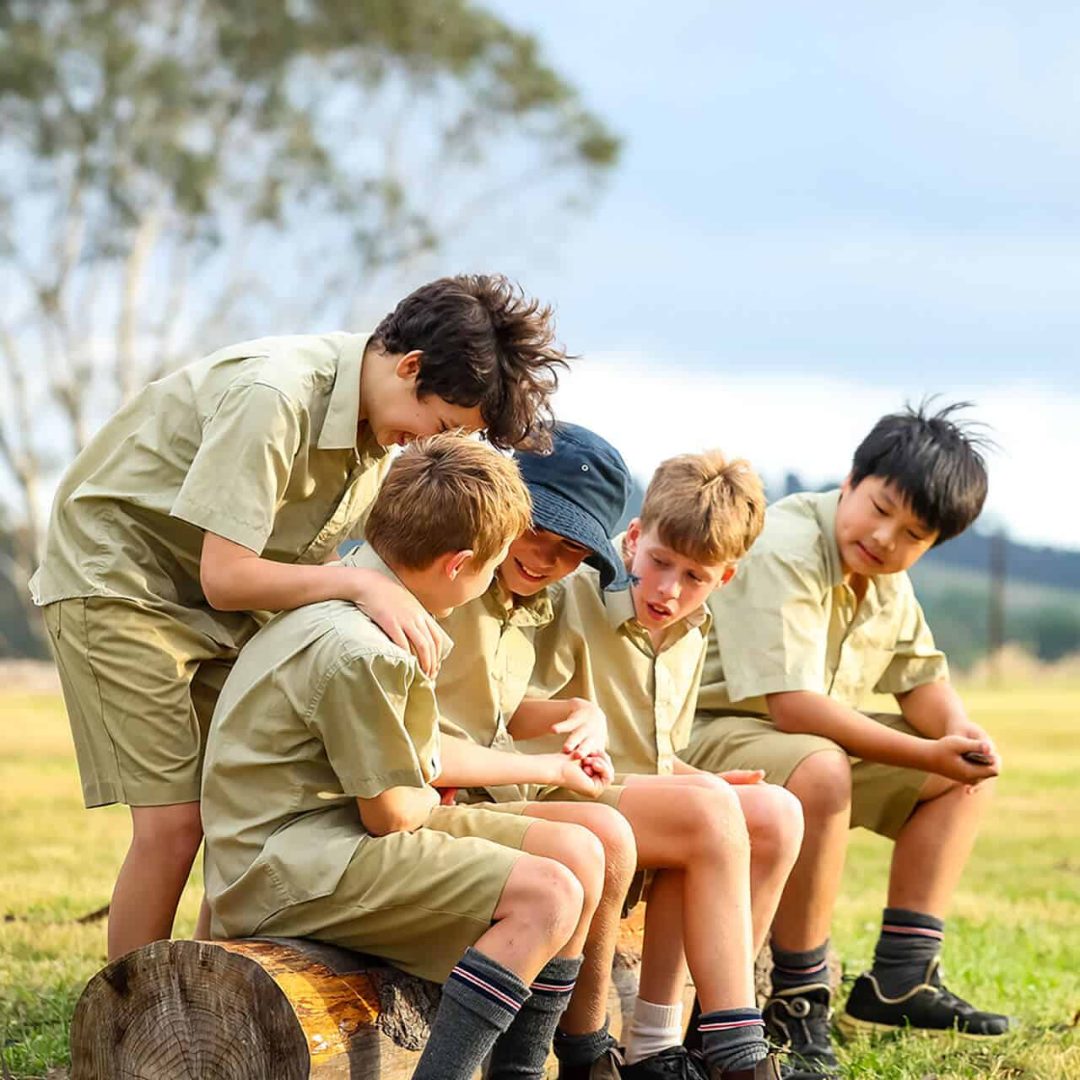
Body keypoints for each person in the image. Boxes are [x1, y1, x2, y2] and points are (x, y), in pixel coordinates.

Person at [30, 273, 569, 960]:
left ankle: (209, 999)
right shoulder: (275, 397)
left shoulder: (376, 437)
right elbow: (224, 576)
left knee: (244, 801)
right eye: (439, 425)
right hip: (123, 581)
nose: (420, 443)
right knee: (174, 823)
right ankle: (126, 1033)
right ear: (411, 368)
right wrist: (358, 587)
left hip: (221, 593)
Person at [202, 433, 623, 1080]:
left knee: (578, 852)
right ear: (458, 564)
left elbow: (414, 768)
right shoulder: (366, 648)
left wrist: (443, 781)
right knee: (549, 893)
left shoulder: (358, 601)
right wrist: (429, 788)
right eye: (493, 564)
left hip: (326, 835)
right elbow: (394, 811)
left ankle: (519, 1071)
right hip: (285, 865)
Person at [438, 425, 799, 1080]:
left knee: (773, 811)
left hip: (617, 787)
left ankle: (681, 1039)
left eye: (694, 577)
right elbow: (511, 713)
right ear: (632, 538)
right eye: (660, 563)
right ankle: (711, 1049)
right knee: (710, 812)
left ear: (725, 578)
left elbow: (649, 752)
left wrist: (692, 778)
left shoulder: (692, 634)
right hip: (549, 789)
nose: (667, 588)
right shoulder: (573, 586)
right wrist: (691, 789)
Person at [683, 403, 1008, 1080]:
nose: (887, 538)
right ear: (853, 479)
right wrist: (925, 751)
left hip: (794, 744)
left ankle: (901, 977)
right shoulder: (787, 547)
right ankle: (797, 1001)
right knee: (825, 769)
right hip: (707, 734)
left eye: (913, 533)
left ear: (931, 544)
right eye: (881, 508)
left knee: (965, 772)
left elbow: (918, 676)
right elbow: (794, 706)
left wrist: (959, 736)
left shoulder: (884, 578)